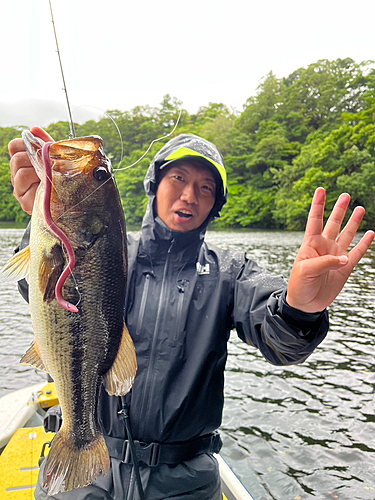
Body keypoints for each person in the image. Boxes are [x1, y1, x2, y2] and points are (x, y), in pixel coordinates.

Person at [8, 127, 374, 500]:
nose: (189, 195)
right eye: (178, 178)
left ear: (215, 205)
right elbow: (43, 295)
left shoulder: (231, 272)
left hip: (184, 481)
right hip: (89, 474)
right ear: (154, 184)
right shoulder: (112, 250)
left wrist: (302, 308)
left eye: (205, 188)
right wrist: (38, 226)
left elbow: (282, 344)